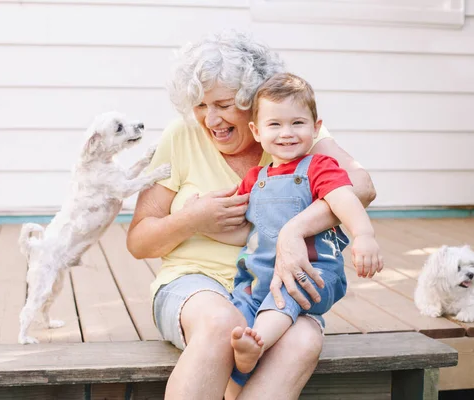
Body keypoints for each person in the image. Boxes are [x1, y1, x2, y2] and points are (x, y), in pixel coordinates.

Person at [126, 31, 378, 400]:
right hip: (196, 284)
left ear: (256, 102)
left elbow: (362, 187)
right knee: (221, 322)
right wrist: (193, 219)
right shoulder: (180, 136)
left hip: (277, 289)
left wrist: (294, 230)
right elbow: (138, 241)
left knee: (305, 338)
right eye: (199, 105)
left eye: (224, 104)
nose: (210, 119)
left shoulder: (290, 131)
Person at [197, 72, 383, 376]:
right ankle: (243, 360)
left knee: (284, 296)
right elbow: (238, 221)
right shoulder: (255, 179)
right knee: (237, 316)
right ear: (256, 131)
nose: (287, 133)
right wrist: (201, 216)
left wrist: (363, 234)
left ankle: (259, 344)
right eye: (275, 125)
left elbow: (344, 198)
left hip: (313, 272)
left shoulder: (320, 167)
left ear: (316, 127)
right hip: (259, 278)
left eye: (297, 123)